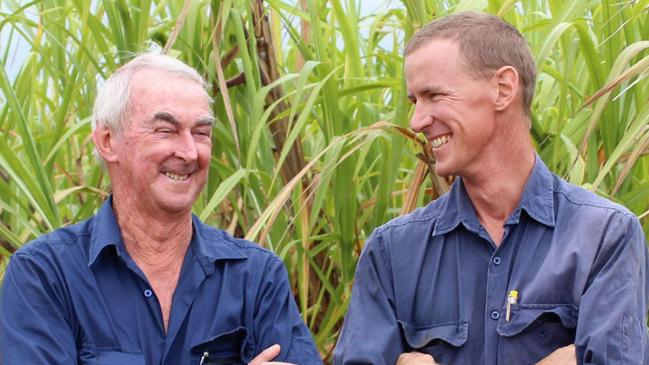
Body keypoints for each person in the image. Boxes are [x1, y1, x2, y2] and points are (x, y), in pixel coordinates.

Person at [334, 11, 649, 365]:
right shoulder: (391, 253)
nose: (417, 121)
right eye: (414, 102)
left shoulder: (605, 237)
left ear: (503, 89)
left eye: (434, 95)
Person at [0, 53, 322, 365]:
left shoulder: (257, 277)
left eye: (201, 133)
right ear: (108, 141)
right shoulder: (44, 276)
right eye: (165, 130)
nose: (189, 152)